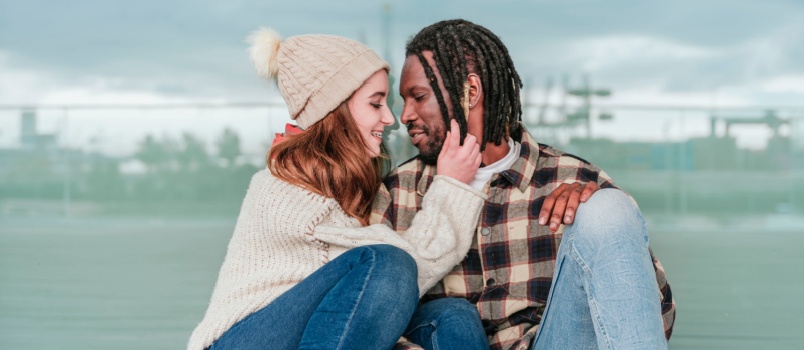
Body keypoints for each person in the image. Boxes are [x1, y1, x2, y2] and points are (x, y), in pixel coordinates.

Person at [372, 19, 676, 350]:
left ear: (470, 92)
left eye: (418, 97)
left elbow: (653, 314)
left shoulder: (571, 179)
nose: (406, 116)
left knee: (607, 208)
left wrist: (591, 212)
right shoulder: (396, 193)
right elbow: (371, 317)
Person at [187, 27, 489, 350]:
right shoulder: (282, 190)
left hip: (299, 333)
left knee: (451, 315)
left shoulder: (333, 185)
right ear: (336, 111)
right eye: (376, 104)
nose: (391, 118)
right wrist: (452, 185)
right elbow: (408, 265)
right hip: (242, 342)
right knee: (388, 264)